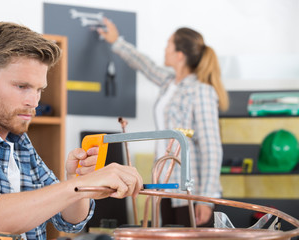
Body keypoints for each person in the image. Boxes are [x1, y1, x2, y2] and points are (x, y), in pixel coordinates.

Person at [0, 22, 143, 240]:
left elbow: (69, 220)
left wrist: (77, 180)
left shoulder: (21, 145)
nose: (33, 102)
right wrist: (78, 185)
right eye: (22, 86)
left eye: (39, 90)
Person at [98, 18, 229, 227]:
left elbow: (211, 147)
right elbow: (145, 64)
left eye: (169, 44)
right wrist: (117, 42)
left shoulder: (200, 91)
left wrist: (207, 198)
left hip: (191, 192)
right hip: (166, 186)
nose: (164, 48)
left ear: (180, 55)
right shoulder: (170, 82)